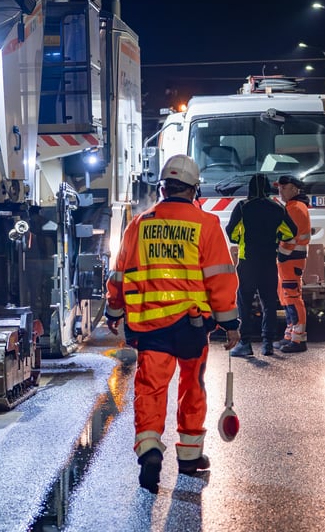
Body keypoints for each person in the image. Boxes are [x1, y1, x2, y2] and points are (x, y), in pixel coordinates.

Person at [104, 154, 241, 494]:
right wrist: (230, 322)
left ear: (163, 188)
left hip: (149, 327)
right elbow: (220, 279)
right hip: (192, 327)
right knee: (192, 388)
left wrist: (114, 310)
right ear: (194, 190)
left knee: (151, 389)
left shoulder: (138, 224)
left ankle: (150, 449)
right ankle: (190, 458)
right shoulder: (206, 225)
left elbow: (119, 272)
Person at [225, 174, 297, 357]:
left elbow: (231, 232)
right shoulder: (277, 207)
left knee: (245, 304)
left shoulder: (243, 206)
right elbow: (290, 232)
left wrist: (241, 238)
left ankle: (245, 344)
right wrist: (276, 237)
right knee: (269, 304)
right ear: (267, 188)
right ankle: (267, 345)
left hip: (247, 262)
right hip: (268, 262)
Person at [274, 174, 311, 353]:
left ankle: (298, 340)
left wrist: (281, 254)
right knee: (287, 296)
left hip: (290, 258)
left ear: (295, 189)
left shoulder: (295, 208)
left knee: (293, 297)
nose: (280, 190)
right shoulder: (293, 206)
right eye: (279, 187)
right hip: (290, 259)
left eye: (284, 187)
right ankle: (290, 336)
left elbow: (289, 236)